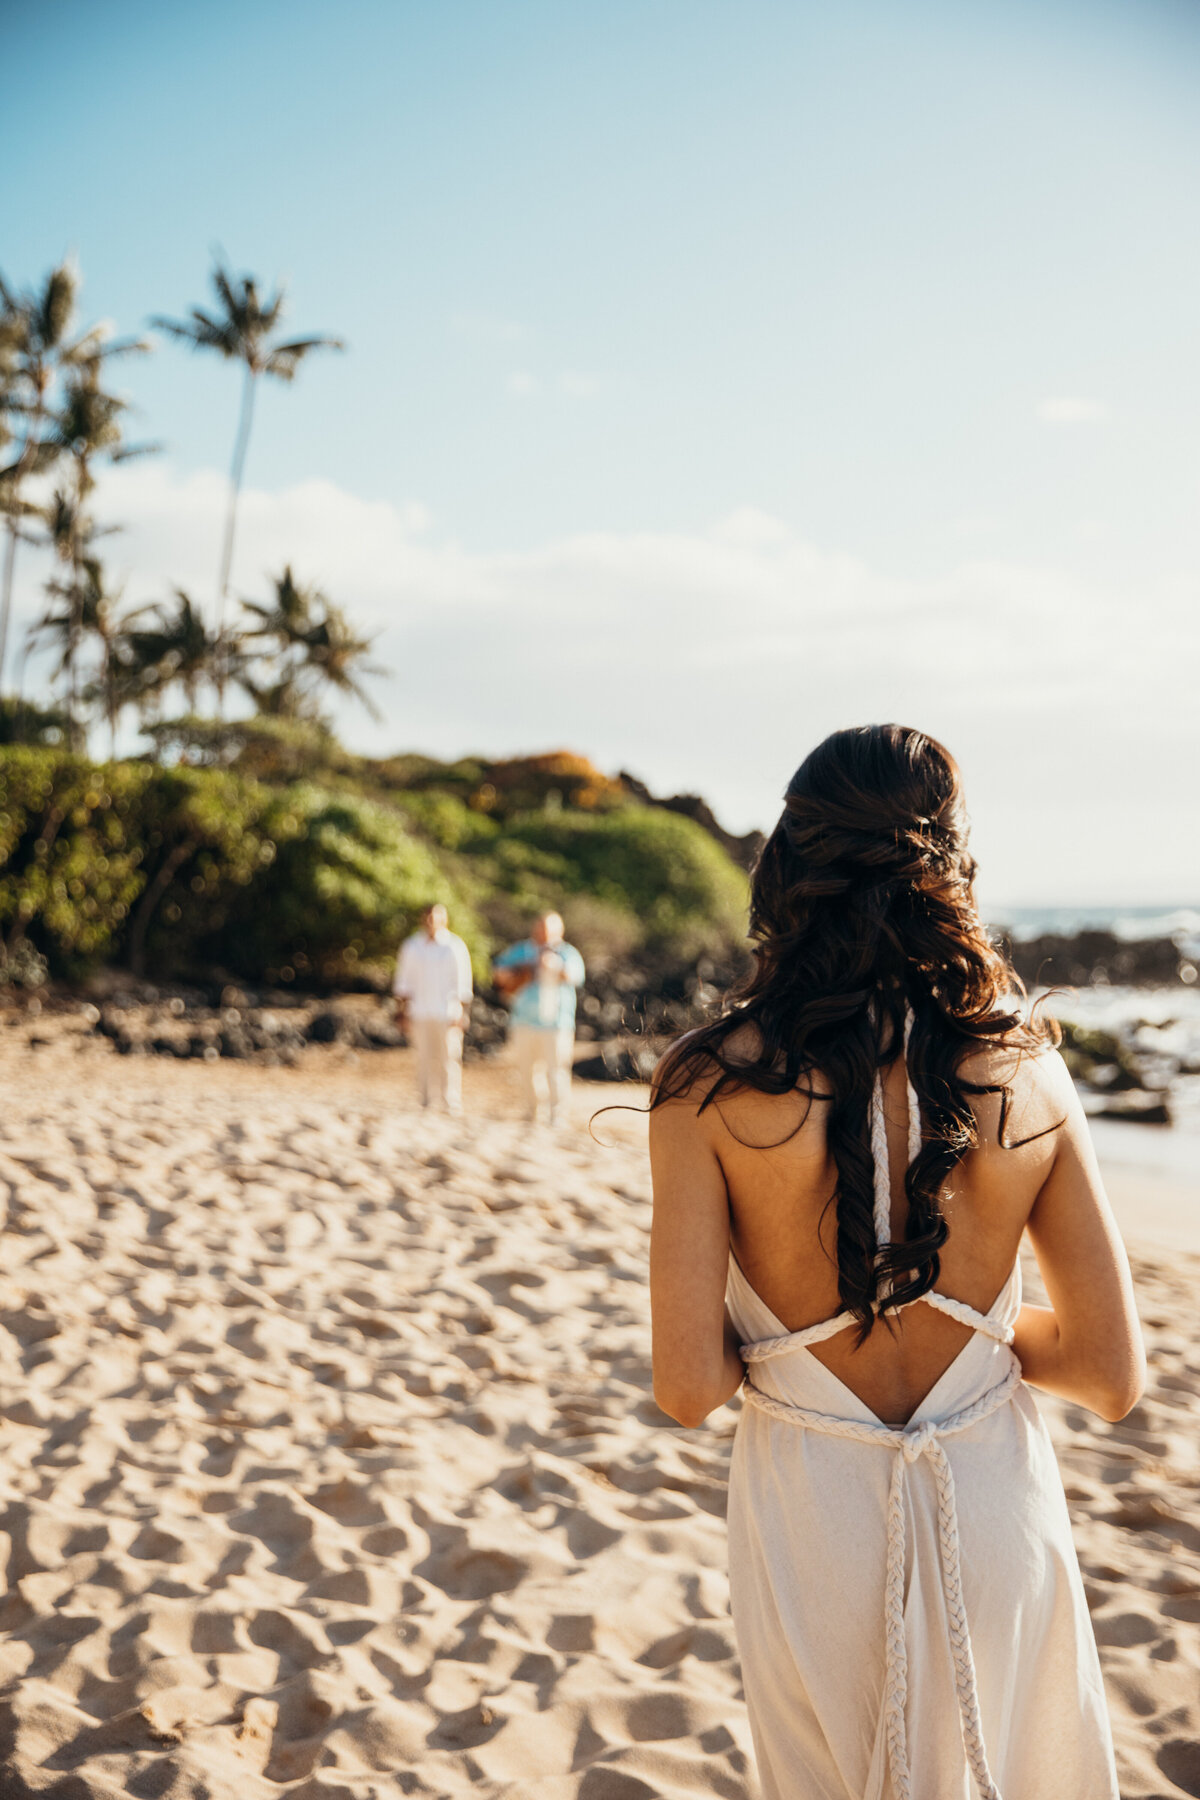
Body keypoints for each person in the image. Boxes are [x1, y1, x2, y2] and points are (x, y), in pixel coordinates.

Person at [648, 724, 1142, 1800]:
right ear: (950, 868)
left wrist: (798, 1342)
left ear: (791, 863)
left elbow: (687, 1387)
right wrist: (972, 1326)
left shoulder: (706, 1088)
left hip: (813, 1515)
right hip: (991, 1498)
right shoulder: (1031, 1075)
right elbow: (1111, 1374)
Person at [492, 912, 585, 1125]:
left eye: (548, 928)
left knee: (557, 1070)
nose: (543, 932)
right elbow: (498, 973)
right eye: (540, 927)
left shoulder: (567, 953)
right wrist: (520, 972)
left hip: (557, 1022)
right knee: (527, 1070)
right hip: (523, 1020)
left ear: (558, 931)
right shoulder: (521, 951)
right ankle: (533, 1111)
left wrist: (554, 966)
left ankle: (558, 1115)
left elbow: (575, 977)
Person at [392, 903, 473, 1115]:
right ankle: (425, 1100)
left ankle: (451, 1101)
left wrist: (462, 1013)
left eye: (436, 917)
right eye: (428, 917)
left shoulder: (454, 946)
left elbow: (463, 983)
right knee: (423, 1057)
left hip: (447, 1011)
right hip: (419, 1011)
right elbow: (404, 982)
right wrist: (401, 1012)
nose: (431, 922)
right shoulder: (411, 946)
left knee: (450, 1058)